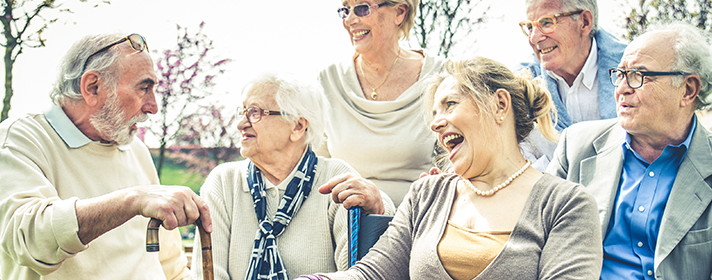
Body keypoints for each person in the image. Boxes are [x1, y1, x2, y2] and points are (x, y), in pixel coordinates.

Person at [298, 57, 601, 280]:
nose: (435, 122)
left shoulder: (567, 204)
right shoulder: (427, 194)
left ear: (499, 104)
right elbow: (374, 272)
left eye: (450, 104)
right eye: (433, 112)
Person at [547, 23, 712, 280]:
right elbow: (536, 240)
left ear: (688, 89)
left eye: (638, 75)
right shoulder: (576, 147)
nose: (621, 88)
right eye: (620, 74)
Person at [0, 33, 212, 280]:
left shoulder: (136, 149)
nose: (153, 106)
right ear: (92, 87)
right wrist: (132, 200)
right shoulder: (23, 137)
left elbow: (171, 266)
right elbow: (29, 240)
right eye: (144, 88)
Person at [197, 74, 396, 280]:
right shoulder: (223, 182)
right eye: (243, 112)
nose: (240, 124)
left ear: (298, 126)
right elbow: (207, 275)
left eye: (254, 112)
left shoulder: (334, 178)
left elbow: (353, 272)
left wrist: (378, 207)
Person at [317, 0, 448, 206]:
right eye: (345, 10)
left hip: (417, 219)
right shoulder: (328, 81)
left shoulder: (442, 77)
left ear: (399, 13)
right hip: (347, 221)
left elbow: (456, 167)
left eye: (362, 8)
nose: (350, 20)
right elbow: (318, 168)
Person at [518, 0, 629, 169]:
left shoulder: (634, 74)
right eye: (530, 27)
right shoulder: (520, 85)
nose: (534, 38)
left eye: (546, 22)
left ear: (584, 22)